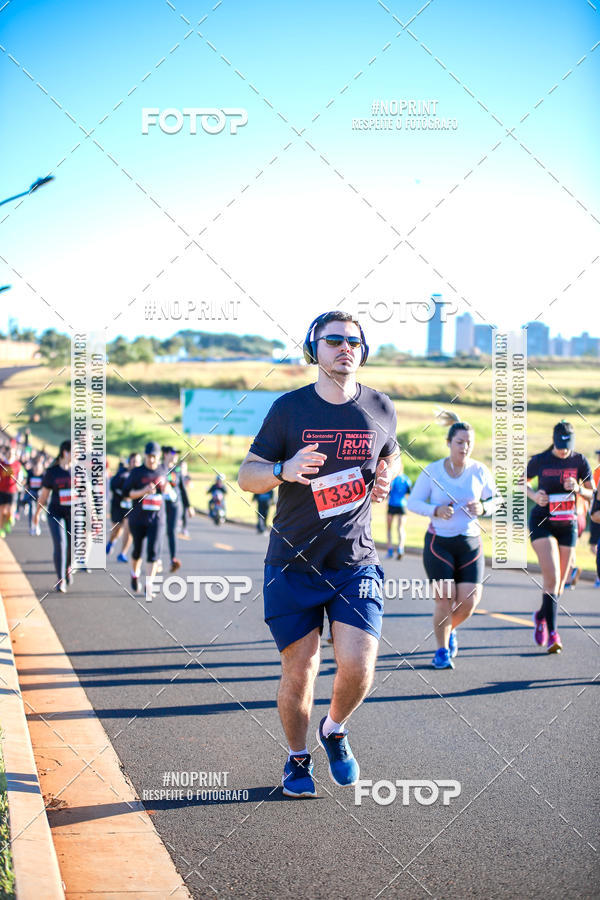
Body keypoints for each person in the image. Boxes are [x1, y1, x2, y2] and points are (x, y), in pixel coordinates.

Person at [238, 310, 399, 799]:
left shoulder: (380, 407)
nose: (344, 348)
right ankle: (297, 758)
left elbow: (387, 451)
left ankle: (334, 728)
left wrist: (386, 476)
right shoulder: (289, 409)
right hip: (292, 562)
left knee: (359, 665)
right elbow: (248, 476)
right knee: (301, 669)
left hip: (354, 561)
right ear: (315, 349)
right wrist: (285, 468)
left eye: (354, 341)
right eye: (333, 340)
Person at [406, 414, 501, 670]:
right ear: (449, 443)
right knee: (444, 600)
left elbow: (497, 500)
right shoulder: (433, 470)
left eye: (469, 442)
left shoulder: (480, 470)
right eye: (460, 442)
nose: (465, 447)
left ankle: (449, 631)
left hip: (470, 542)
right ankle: (441, 651)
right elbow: (412, 502)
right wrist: (435, 510)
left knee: (469, 602)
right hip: (439, 543)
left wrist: (484, 506)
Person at [526, 421, 594, 653]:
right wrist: (535, 496)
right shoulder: (540, 460)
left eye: (568, 446)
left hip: (568, 524)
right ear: (554, 440)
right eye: (560, 445)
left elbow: (592, 491)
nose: (564, 450)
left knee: (560, 585)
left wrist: (577, 489)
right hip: (542, 522)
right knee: (552, 578)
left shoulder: (580, 461)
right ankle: (554, 634)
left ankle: (541, 615)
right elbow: (519, 482)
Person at [122, 441, 166, 594]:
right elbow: (126, 493)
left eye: (154, 457)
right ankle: (135, 574)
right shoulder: (137, 472)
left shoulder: (163, 470)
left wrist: (168, 489)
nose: (151, 460)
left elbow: (169, 488)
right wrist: (143, 492)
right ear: (145, 456)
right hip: (138, 518)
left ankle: (149, 584)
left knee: (153, 552)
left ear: (159, 457)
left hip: (157, 518)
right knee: (138, 551)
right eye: (149, 456)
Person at [34, 440, 72, 592]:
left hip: (73, 515)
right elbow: (43, 496)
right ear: (65, 452)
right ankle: (60, 578)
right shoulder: (52, 472)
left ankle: (67, 567)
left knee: (72, 546)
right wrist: (36, 514)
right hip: (55, 513)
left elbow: (87, 496)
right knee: (61, 544)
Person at [107, 452, 140, 562]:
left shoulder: (141, 475)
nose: (136, 464)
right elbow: (113, 486)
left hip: (131, 507)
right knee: (117, 529)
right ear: (129, 462)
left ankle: (123, 553)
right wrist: (124, 495)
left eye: (138, 462)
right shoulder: (122, 474)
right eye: (134, 461)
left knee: (129, 528)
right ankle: (111, 541)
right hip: (118, 505)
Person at [161, 446, 182, 572]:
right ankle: (156, 559)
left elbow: (182, 489)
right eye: (173, 452)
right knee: (158, 530)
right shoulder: (159, 469)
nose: (175, 455)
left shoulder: (176, 470)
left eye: (177, 453)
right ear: (165, 454)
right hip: (160, 504)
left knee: (172, 531)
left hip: (174, 504)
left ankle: (173, 559)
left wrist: (189, 506)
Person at [386, 462, 411, 559]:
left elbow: (388, 491)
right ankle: (400, 548)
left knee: (389, 529)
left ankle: (390, 550)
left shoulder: (393, 479)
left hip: (392, 504)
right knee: (401, 528)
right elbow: (408, 492)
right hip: (402, 505)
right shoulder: (406, 479)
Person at [0, 442, 24, 538]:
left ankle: (9, 520)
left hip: (13, 491)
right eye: (9, 453)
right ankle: (1, 528)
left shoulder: (17, 464)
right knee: (2, 511)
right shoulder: (2, 464)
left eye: (13, 453)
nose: (11, 455)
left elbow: (20, 476)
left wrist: (19, 482)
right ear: (7, 453)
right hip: (2, 490)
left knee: (10, 511)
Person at [25, 454, 45, 535]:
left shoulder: (43, 475)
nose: (36, 470)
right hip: (31, 494)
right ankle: (32, 527)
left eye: (38, 469)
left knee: (38, 512)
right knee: (32, 511)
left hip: (40, 495)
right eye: (35, 469)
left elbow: (45, 487)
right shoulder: (30, 474)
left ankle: (37, 526)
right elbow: (27, 485)